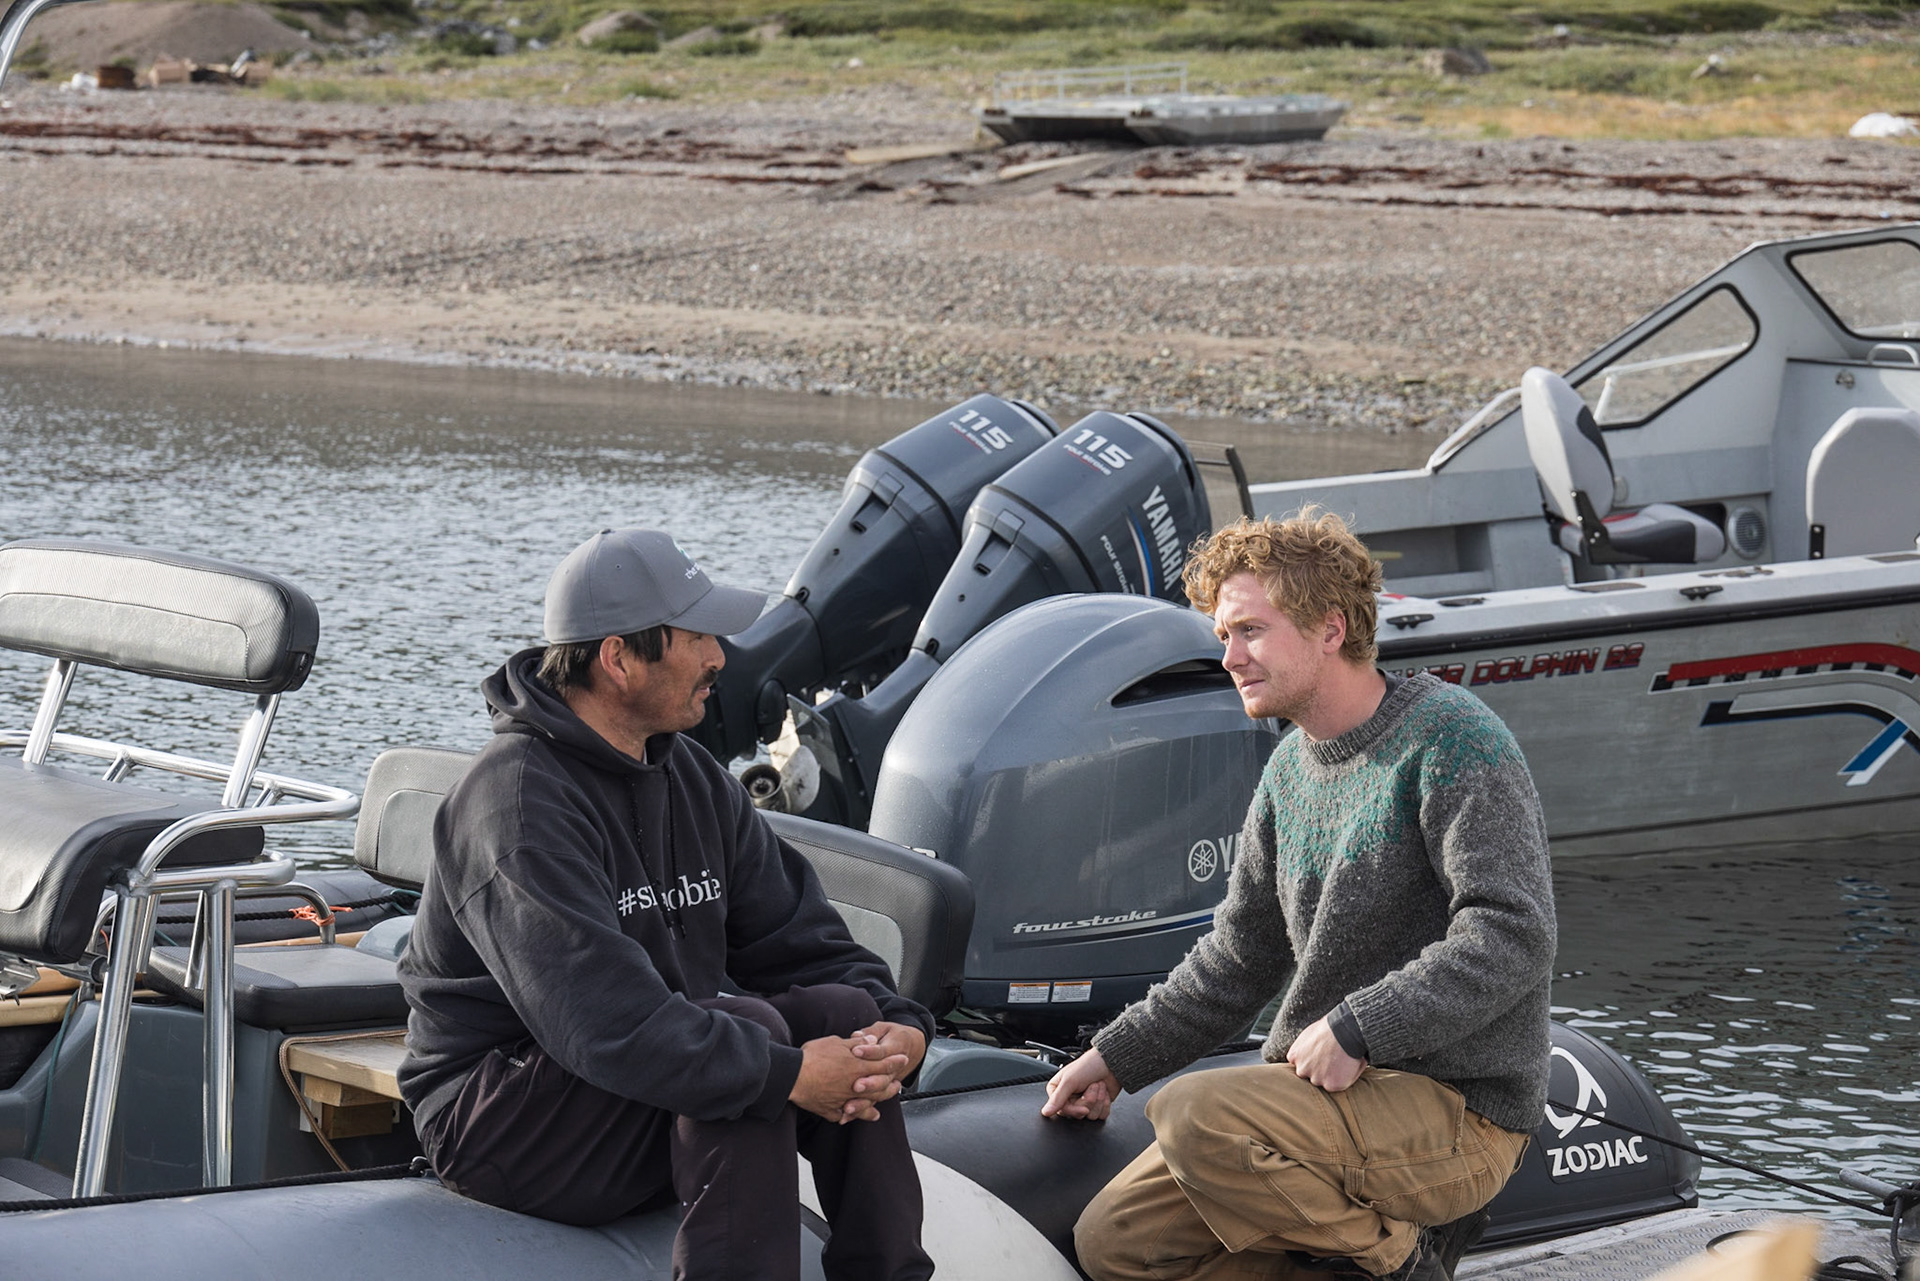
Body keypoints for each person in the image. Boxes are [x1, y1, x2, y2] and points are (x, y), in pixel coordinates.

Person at [397, 527, 935, 1281]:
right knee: (743, 1036)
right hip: (499, 1122)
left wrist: (899, 1028)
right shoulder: (514, 807)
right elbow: (604, 1024)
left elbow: (801, 936)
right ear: (618, 658)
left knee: (843, 1013)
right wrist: (785, 1075)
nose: (721, 656)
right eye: (699, 636)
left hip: (638, 1084)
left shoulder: (688, 775)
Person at [1041, 509, 1556, 1281]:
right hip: (1322, 1100)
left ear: (1329, 628)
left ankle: (1401, 1259)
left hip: (1461, 1110)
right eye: (1222, 635)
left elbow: (1513, 932)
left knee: (1193, 1114)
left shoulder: (1453, 738)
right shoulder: (1288, 772)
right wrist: (1116, 1056)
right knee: (1115, 1240)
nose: (1228, 657)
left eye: (1249, 629)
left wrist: (1360, 1027)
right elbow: (1239, 957)